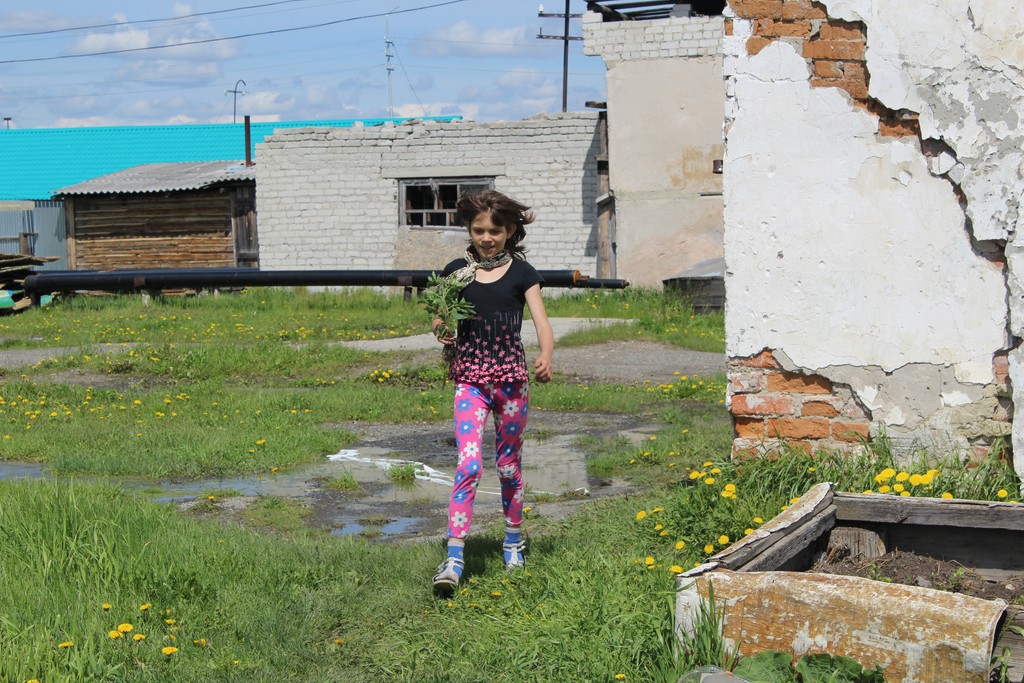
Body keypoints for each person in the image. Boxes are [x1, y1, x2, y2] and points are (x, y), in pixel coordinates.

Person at [430, 189, 554, 597]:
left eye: (495, 231)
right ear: (469, 230)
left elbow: (541, 322)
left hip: (511, 384)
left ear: (510, 231)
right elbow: (440, 317)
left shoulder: (523, 273)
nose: (486, 238)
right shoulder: (456, 272)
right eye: (479, 230)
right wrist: (441, 329)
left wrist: (546, 355)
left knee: (507, 467)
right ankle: (454, 558)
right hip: (470, 382)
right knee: (468, 466)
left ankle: (513, 544)